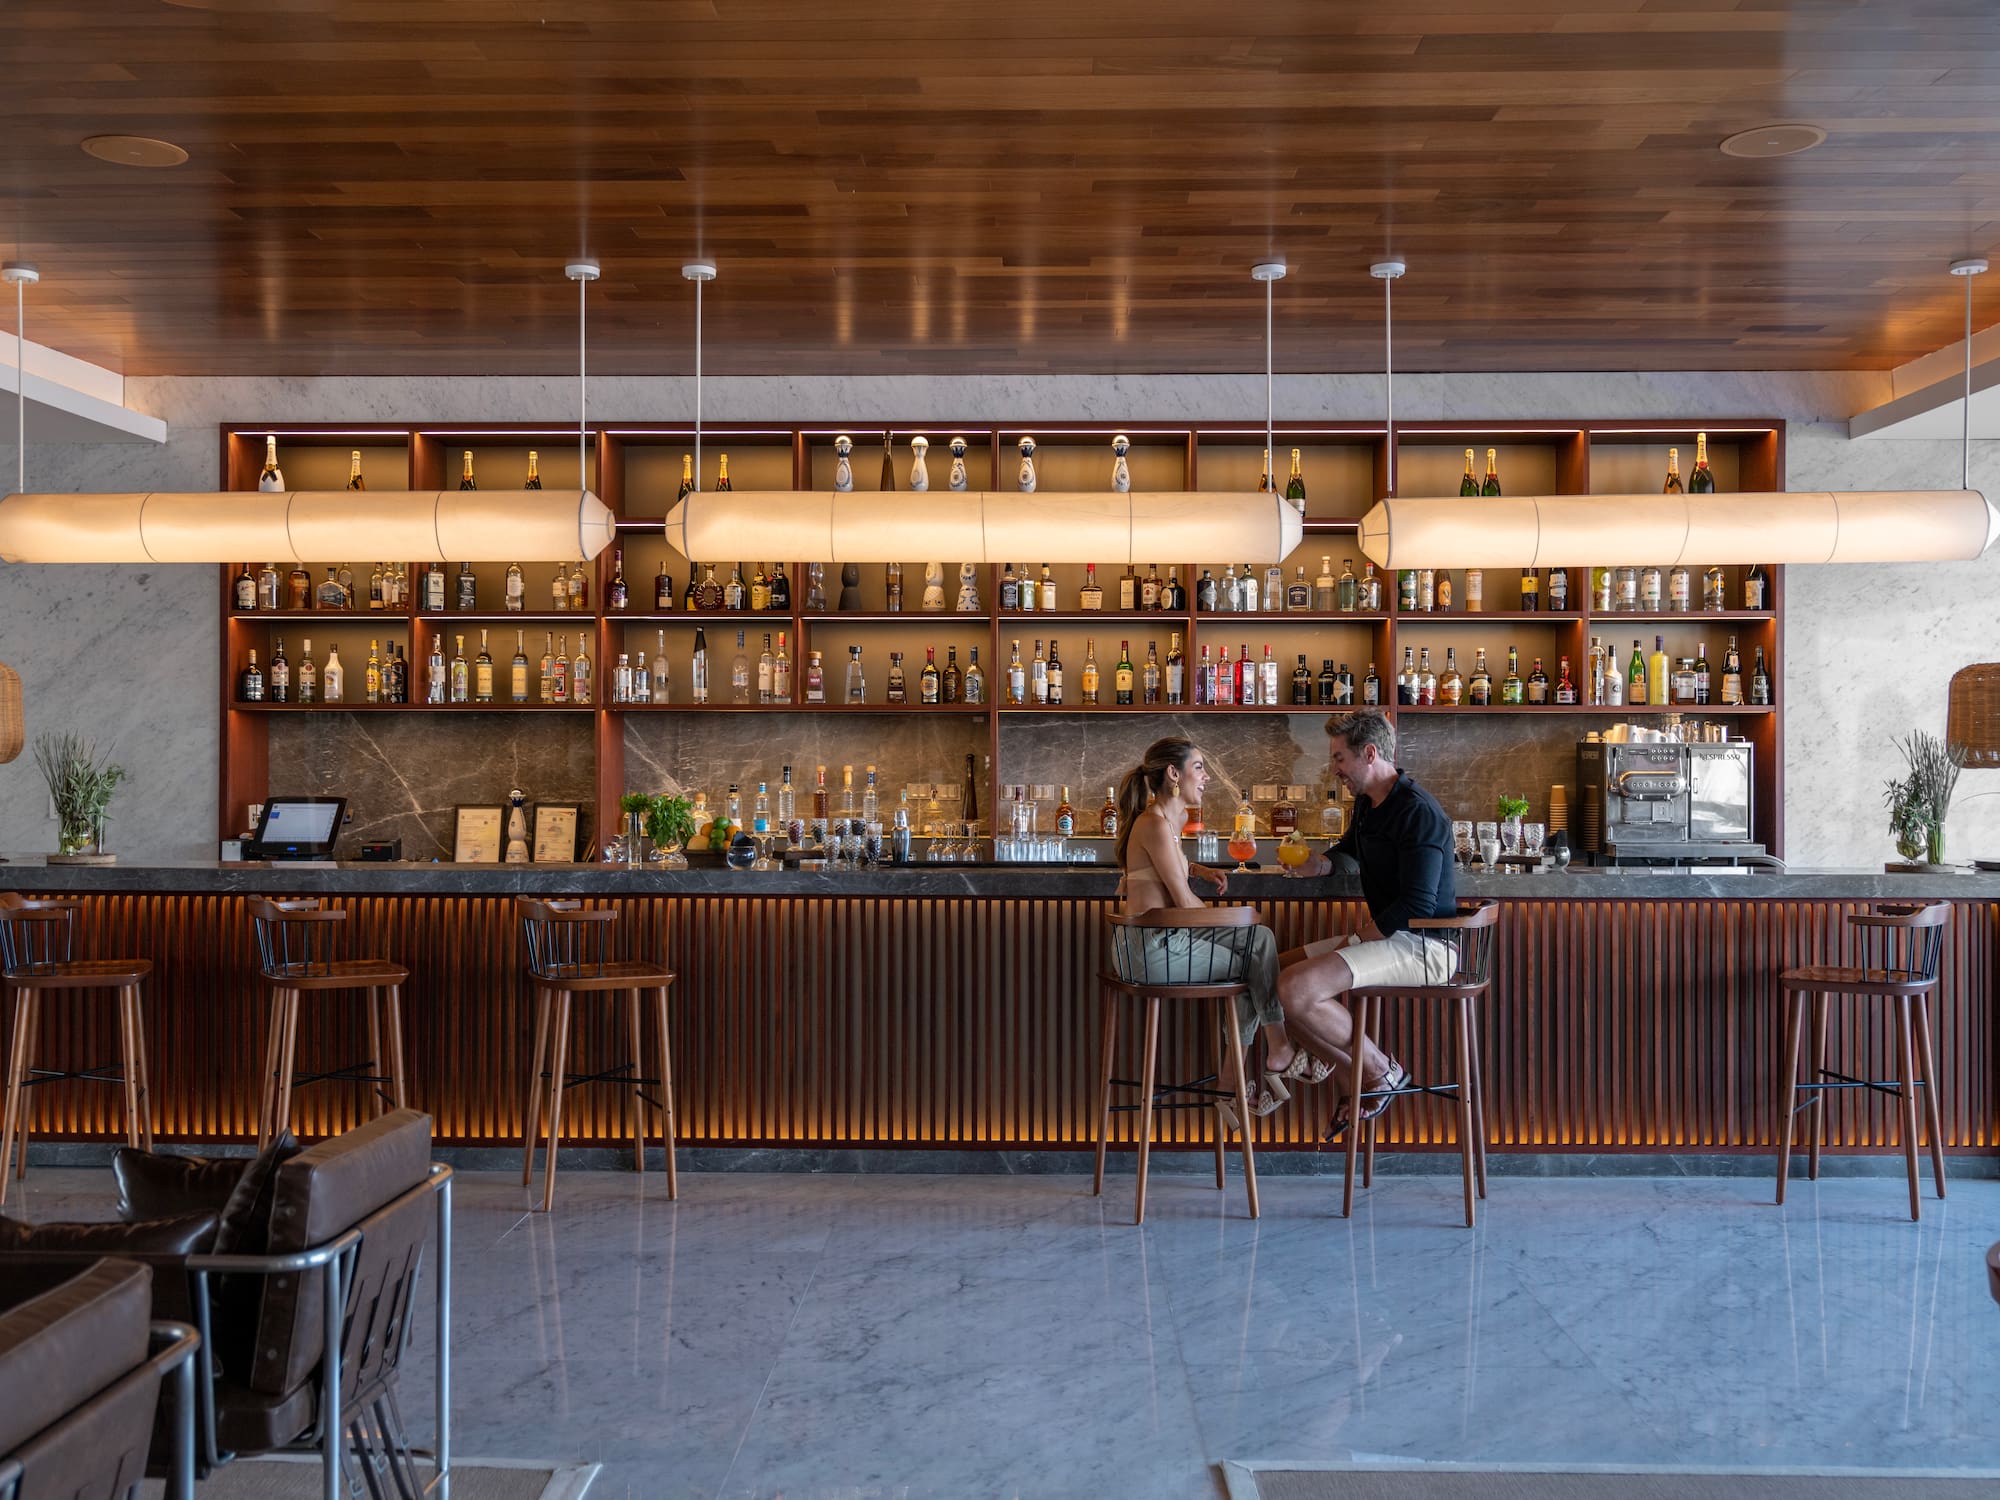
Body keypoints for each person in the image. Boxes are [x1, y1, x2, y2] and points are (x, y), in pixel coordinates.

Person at [1276, 710, 1457, 1138]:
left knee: (1294, 988)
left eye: (1340, 759)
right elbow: (1348, 854)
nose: (1335, 769)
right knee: (1273, 974)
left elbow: (1418, 902)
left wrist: (1360, 937)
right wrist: (1315, 866)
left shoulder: (1418, 811)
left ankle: (1379, 1070)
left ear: (1369, 754)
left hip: (1424, 946)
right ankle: (1361, 1074)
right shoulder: (1368, 805)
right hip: (1390, 938)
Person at [1114, 736, 1291, 1122]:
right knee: (1254, 955)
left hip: (1158, 940)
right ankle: (1258, 1063)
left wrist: (1198, 869)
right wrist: (1238, 916)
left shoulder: (1166, 819)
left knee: (1258, 945)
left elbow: (1162, 867)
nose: (1207, 776)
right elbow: (1183, 902)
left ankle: (1245, 1073)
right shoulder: (1155, 823)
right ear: (1173, 774)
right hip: (1151, 951)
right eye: (1199, 767)